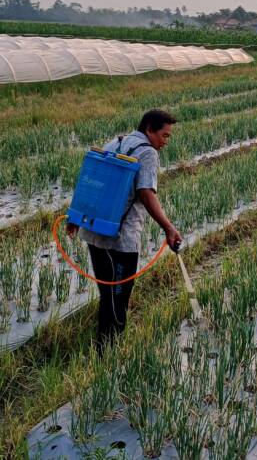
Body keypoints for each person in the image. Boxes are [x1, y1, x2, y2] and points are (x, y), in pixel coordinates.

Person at [67, 109, 182, 349]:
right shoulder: (147, 153)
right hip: (120, 240)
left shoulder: (117, 141)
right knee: (118, 300)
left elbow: (92, 179)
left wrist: (75, 215)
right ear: (149, 129)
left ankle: (104, 347)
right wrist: (169, 228)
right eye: (164, 135)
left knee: (107, 295)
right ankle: (110, 352)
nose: (165, 142)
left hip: (95, 232)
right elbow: (146, 193)